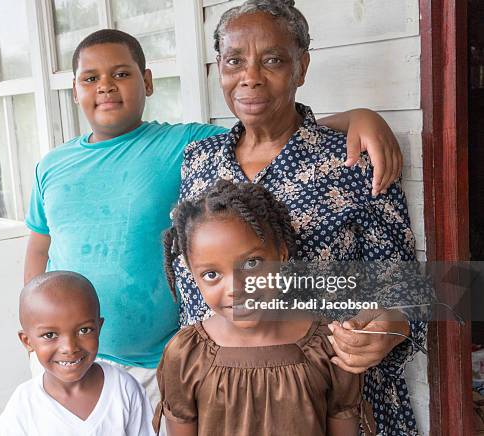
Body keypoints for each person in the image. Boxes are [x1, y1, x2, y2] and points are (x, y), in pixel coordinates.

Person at [24, 28, 406, 407]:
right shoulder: (50, 166)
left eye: (121, 74)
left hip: (154, 362)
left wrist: (357, 117)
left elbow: (267, 128)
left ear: (147, 82)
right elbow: (39, 248)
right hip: (67, 355)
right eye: (90, 79)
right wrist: (35, 328)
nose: (106, 86)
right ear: (74, 90)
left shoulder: (186, 146)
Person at [173, 2, 426, 434]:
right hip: (228, 402)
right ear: (219, 68)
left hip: (337, 400)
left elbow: (406, 287)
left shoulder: (352, 159)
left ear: (301, 67)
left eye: (272, 59)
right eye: (235, 60)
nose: (250, 76)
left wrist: (391, 324)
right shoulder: (199, 162)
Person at [156, 180, 374, 436]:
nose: (235, 288)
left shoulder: (328, 346)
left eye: (251, 264)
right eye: (212, 274)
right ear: (193, 275)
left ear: (281, 256)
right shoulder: (185, 355)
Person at [0, 271, 154, 436]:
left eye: (84, 330)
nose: (70, 347)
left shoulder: (123, 388)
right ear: (27, 341)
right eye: (50, 335)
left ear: (99, 328)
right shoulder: (23, 406)